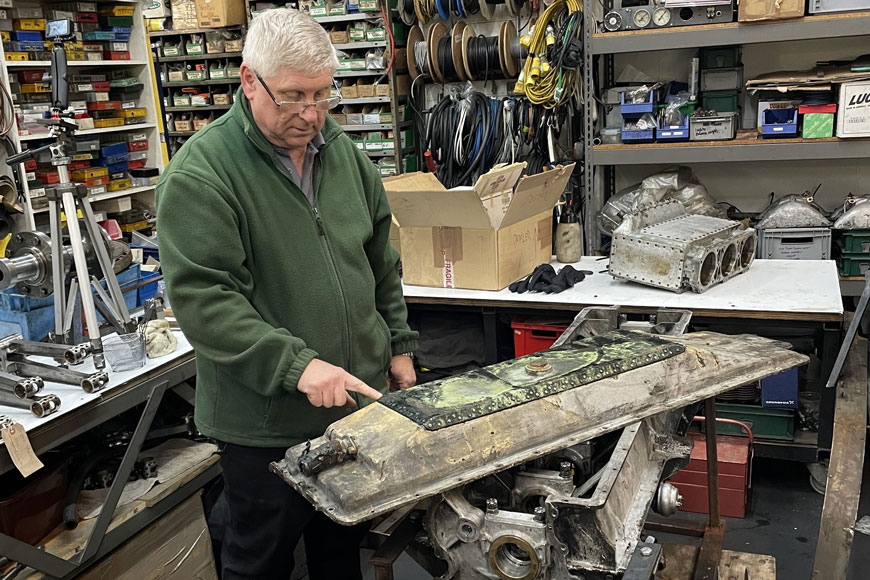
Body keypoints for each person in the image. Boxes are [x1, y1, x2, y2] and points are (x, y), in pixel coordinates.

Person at [155, 9, 418, 580]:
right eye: (294, 95)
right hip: (265, 424)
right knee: (261, 560)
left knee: (338, 551)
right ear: (249, 80)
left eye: (324, 94)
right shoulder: (203, 175)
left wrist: (397, 344)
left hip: (352, 410)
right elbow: (206, 301)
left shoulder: (345, 156)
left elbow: (380, 262)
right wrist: (297, 366)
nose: (311, 113)